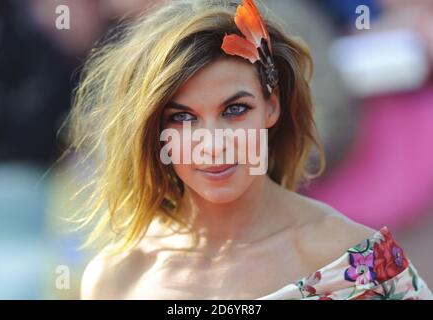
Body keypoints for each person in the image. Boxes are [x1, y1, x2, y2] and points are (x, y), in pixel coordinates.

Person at [68, 0, 432, 299]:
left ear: (272, 106)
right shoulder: (116, 278)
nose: (212, 145)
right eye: (181, 118)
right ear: (153, 129)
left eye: (235, 110)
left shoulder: (357, 261)